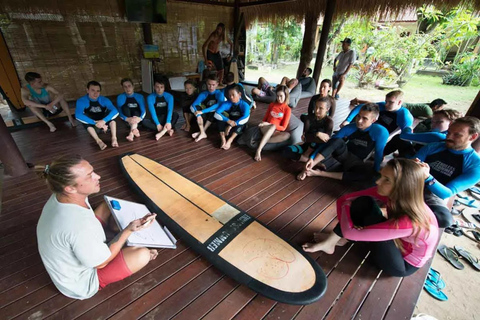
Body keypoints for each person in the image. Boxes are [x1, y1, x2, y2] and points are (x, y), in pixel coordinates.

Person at [36, 155, 158, 299]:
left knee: (108, 205)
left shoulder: (62, 195)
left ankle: (111, 239)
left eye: (93, 171)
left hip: (75, 247)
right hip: (81, 281)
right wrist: (129, 230)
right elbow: (100, 264)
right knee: (142, 254)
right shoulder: (78, 226)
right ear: (70, 188)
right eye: (89, 176)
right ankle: (103, 271)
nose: (98, 176)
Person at [303, 158, 439, 278]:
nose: (378, 181)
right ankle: (331, 242)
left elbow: (350, 230)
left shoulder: (410, 221)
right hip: (397, 239)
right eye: (381, 175)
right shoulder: (396, 194)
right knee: (363, 202)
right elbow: (344, 199)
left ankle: (338, 240)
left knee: (353, 217)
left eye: (386, 180)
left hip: (402, 262)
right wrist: (347, 212)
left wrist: (347, 214)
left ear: (402, 187)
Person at [415, 116, 480, 228]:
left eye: (457, 135)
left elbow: (447, 193)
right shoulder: (434, 147)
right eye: (449, 132)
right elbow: (411, 165)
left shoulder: (475, 165)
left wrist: (427, 177)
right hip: (412, 183)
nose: (449, 137)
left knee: (444, 220)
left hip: (434, 194)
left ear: (473, 137)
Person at [298, 103, 388, 183]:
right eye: (358, 116)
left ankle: (319, 173)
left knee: (369, 176)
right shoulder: (350, 127)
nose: (359, 121)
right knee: (337, 140)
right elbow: (330, 143)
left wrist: (375, 172)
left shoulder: (380, 132)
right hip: (344, 155)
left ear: (373, 120)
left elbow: (378, 154)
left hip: (358, 163)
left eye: (364, 118)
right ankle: (309, 168)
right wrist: (312, 158)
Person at [344, 90, 413, 156]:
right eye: (386, 101)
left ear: (399, 102)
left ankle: (382, 153)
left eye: (390, 102)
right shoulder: (383, 105)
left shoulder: (405, 116)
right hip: (370, 127)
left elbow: (407, 136)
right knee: (362, 115)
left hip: (382, 135)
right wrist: (347, 121)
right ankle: (347, 135)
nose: (386, 104)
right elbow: (362, 107)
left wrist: (389, 138)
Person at [283, 97, 333, 161]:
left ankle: (308, 159)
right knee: (286, 151)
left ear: (327, 109)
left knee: (315, 142)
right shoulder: (308, 118)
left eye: (321, 108)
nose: (317, 110)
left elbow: (326, 140)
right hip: (306, 147)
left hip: (318, 151)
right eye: (316, 107)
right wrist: (317, 134)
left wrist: (314, 136)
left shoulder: (329, 122)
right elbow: (304, 138)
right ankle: (308, 160)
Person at [396, 109, 462, 158]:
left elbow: (404, 136)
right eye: (432, 122)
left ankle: (386, 154)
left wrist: (408, 127)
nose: (434, 125)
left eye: (439, 122)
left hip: (417, 165)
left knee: (398, 138)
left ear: (451, 123)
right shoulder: (450, 136)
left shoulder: (437, 136)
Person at [75, 81, 119, 150]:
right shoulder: (82, 101)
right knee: (85, 120)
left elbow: (115, 111)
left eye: (98, 91)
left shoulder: (104, 100)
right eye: (93, 90)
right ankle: (98, 141)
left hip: (103, 119)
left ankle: (114, 138)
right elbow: (78, 115)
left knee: (112, 120)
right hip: (92, 121)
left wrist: (104, 121)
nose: (95, 93)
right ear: (87, 90)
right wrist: (95, 122)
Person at [254, 85, 292, 161]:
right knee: (272, 127)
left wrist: (271, 125)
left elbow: (283, 127)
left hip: (276, 131)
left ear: (286, 96)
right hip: (266, 128)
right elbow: (265, 119)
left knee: (287, 135)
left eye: (281, 96)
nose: (279, 98)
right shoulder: (272, 105)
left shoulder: (287, 109)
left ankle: (263, 140)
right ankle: (259, 150)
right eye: (277, 96)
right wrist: (266, 124)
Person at [214, 85, 251, 150]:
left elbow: (246, 117)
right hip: (229, 121)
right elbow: (216, 114)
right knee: (220, 117)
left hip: (238, 124)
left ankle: (230, 140)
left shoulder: (244, 105)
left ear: (239, 94)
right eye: (229, 95)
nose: (231, 97)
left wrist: (231, 125)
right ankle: (223, 138)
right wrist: (228, 121)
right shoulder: (226, 103)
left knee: (242, 123)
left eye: (233, 95)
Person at [190, 75, 225, 142]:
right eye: (209, 84)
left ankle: (201, 132)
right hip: (205, 115)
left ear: (217, 84)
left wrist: (202, 111)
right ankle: (202, 132)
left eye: (213, 85)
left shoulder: (219, 93)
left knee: (215, 110)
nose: (211, 87)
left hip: (215, 116)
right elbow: (194, 105)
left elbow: (218, 104)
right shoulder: (204, 94)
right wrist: (198, 115)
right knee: (196, 109)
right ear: (206, 84)